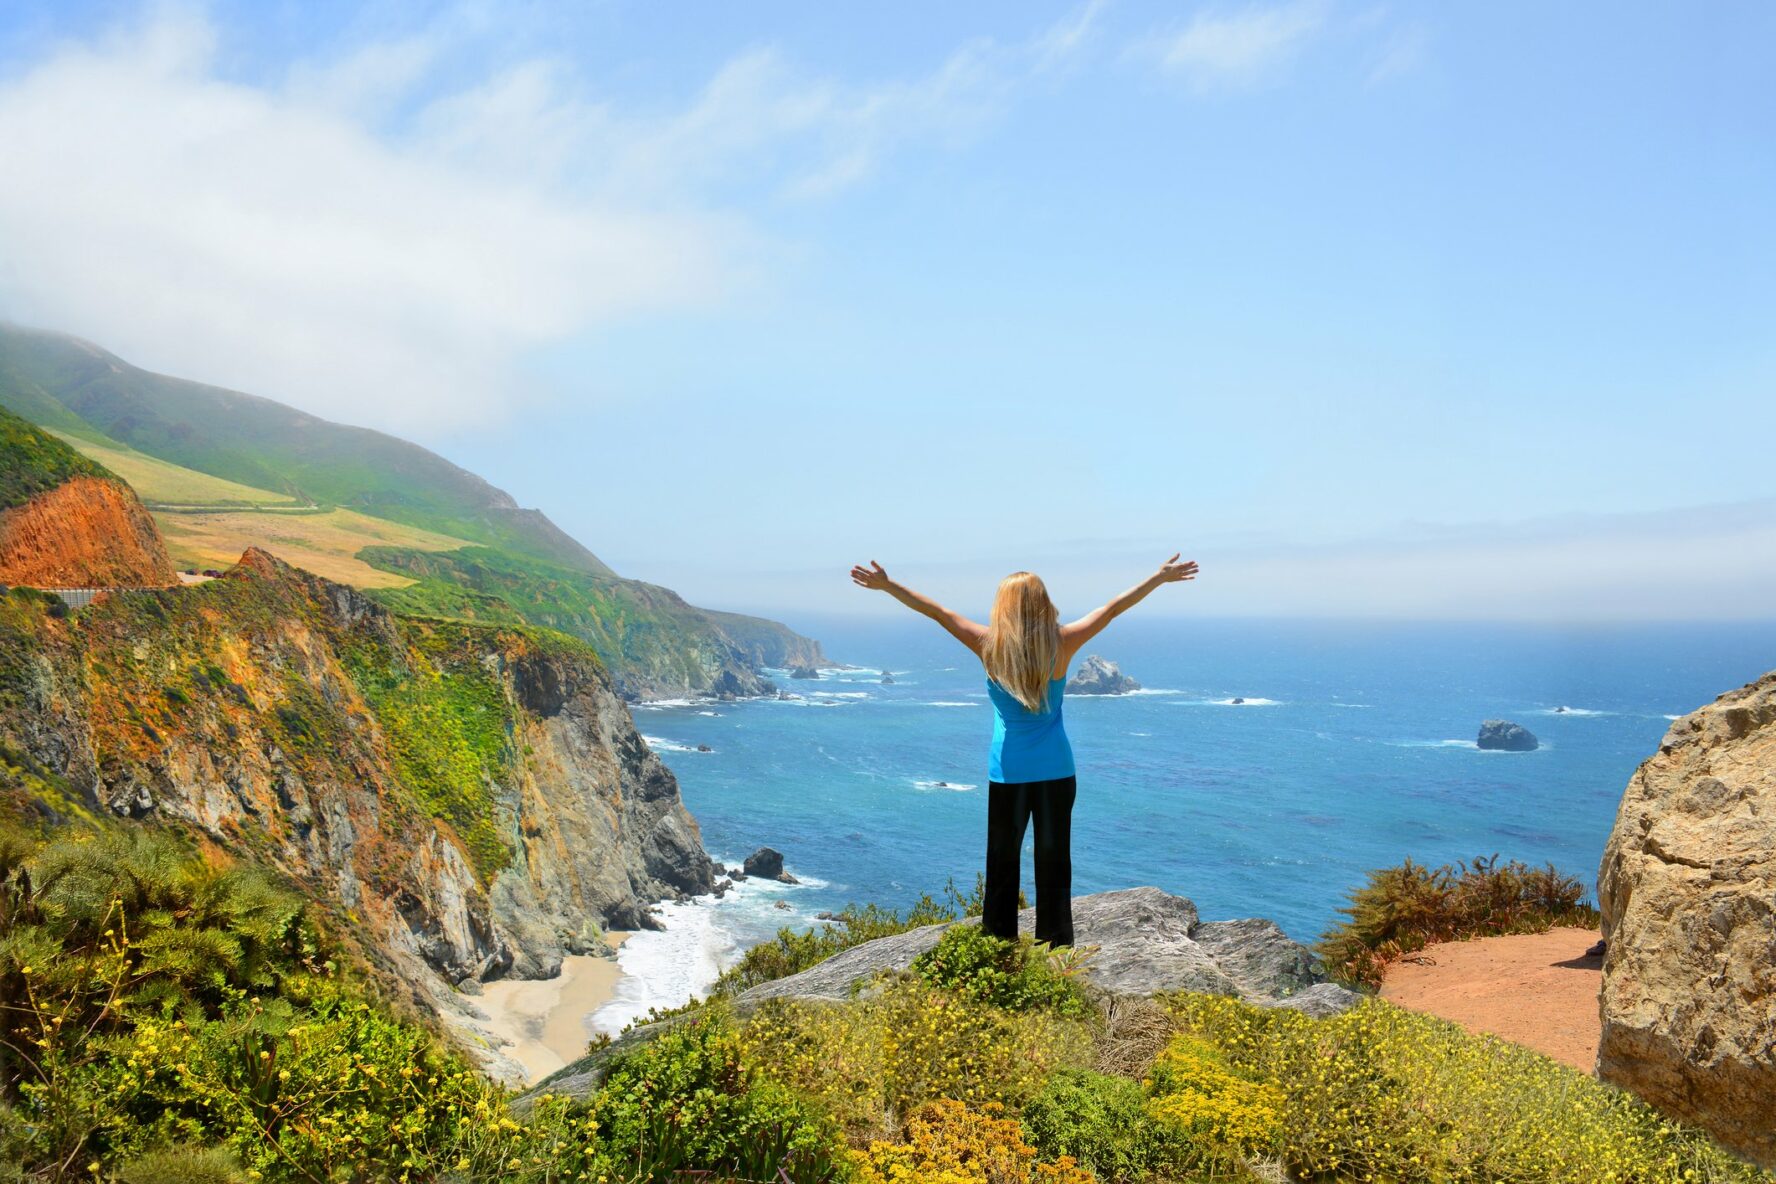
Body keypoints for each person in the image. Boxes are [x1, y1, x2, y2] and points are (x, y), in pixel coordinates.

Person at [849, 554, 1199, 947]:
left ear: (1003, 607)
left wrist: (888, 586)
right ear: (1042, 603)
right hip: (1057, 771)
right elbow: (1112, 609)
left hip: (1009, 772)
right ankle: (1056, 948)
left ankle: (999, 947)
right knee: (1054, 862)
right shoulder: (1063, 642)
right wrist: (1158, 578)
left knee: (1002, 863)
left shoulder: (987, 645)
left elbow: (938, 612)